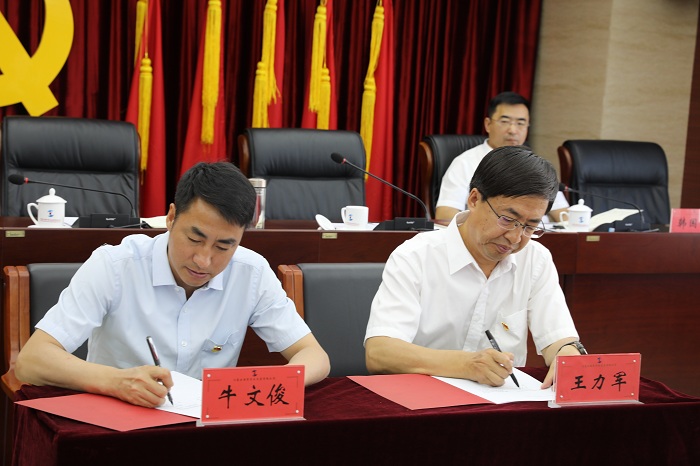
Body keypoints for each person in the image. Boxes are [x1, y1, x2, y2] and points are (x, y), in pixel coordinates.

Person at [15, 162, 330, 407]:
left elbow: (314, 356)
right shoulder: (114, 265)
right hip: (119, 423)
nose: (204, 260)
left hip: (207, 428)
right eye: (194, 238)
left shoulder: (252, 272)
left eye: (224, 246)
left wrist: (271, 382)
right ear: (171, 217)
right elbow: (32, 360)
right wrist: (116, 382)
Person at [365, 146, 584, 388]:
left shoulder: (535, 259)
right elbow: (379, 353)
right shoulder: (416, 255)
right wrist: (467, 365)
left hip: (501, 401)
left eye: (530, 227)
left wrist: (568, 354)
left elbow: (559, 339)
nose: (515, 237)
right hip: (423, 396)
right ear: (474, 199)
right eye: (507, 220)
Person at [435, 91, 569, 223]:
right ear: (488, 124)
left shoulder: (536, 166)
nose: (513, 130)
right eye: (505, 121)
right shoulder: (465, 163)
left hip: (537, 234)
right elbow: (445, 215)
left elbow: (563, 216)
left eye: (520, 123)